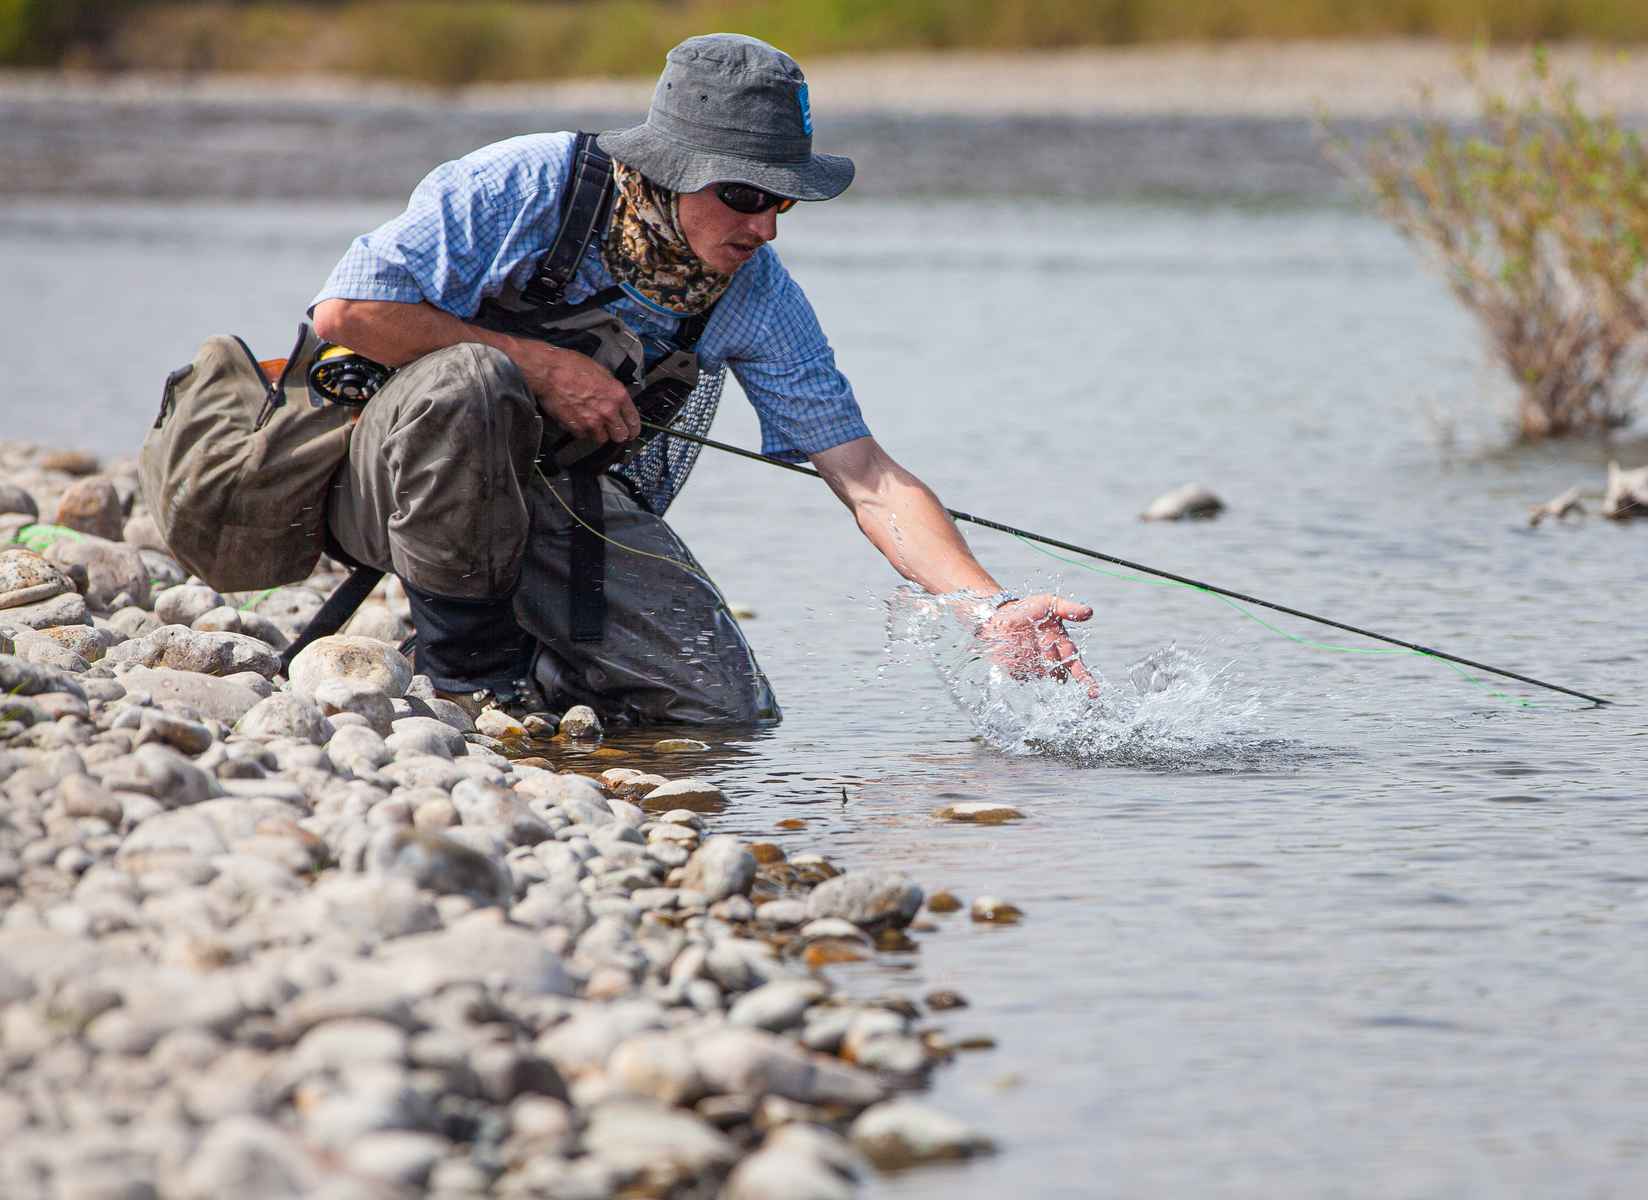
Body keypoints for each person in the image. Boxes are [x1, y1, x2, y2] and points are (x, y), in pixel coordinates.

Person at [309, 32, 1095, 726]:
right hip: (374, 482)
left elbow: (868, 477)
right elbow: (345, 313)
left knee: (724, 714)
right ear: (671, 168)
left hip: (554, 500)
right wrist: (544, 366)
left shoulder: (759, 295)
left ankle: (542, 671)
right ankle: (468, 682)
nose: (766, 225)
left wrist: (988, 608)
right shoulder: (526, 182)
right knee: (474, 379)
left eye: (783, 197)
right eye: (745, 195)